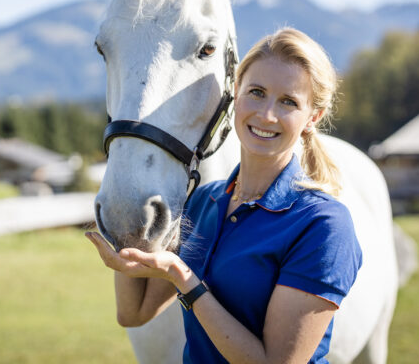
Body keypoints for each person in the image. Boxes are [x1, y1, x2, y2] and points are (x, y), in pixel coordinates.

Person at [87, 27, 362, 363]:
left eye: (288, 102)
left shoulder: (323, 225)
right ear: (235, 94)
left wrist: (184, 280)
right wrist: (126, 226)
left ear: (312, 118)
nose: (267, 114)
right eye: (257, 92)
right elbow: (134, 313)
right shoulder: (205, 202)